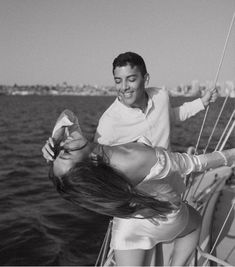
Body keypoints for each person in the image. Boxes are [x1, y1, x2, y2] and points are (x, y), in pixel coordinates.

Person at [42, 110, 235, 266]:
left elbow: (69, 117)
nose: (64, 144)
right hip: (166, 219)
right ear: (88, 165)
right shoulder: (133, 158)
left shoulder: (93, 159)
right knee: (194, 224)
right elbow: (197, 163)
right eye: (65, 152)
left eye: (60, 151)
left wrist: (56, 135)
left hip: (129, 229)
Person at [94, 51, 217, 148]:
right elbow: (97, 164)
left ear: (146, 79)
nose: (124, 87)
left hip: (172, 178)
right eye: (118, 81)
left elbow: (170, 116)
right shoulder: (109, 123)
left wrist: (201, 102)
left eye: (131, 80)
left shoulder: (161, 96)